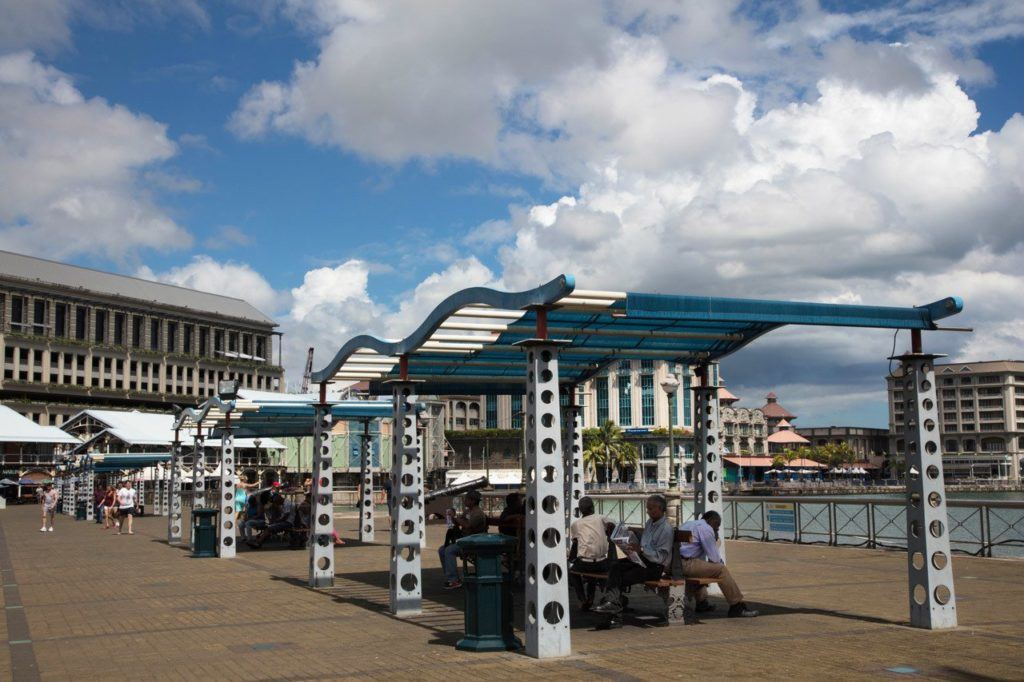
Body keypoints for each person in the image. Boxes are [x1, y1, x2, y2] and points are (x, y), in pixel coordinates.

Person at [593, 494, 674, 616]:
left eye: (651, 508)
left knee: (622, 576)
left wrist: (641, 550)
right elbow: (644, 544)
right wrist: (628, 545)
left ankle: (613, 602)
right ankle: (613, 602)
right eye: (647, 508)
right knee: (615, 566)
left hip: (655, 567)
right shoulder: (649, 523)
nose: (648, 511)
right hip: (642, 561)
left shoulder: (666, 529)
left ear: (660, 508)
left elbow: (661, 557)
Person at [679, 511, 758, 618]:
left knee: (704, 567)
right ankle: (736, 606)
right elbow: (715, 559)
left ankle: (702, 602)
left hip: (676, 563)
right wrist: (715, 540)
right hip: (685, 564)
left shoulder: (690, 524)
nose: (717, 528)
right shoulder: (706, 528)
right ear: (711, 520)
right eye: (717, 525)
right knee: (721, 570)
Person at [568, 496, 613, 610]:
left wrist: (571, 558)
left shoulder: (576, 524)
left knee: (573, 573)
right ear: (593, 508)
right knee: (592, 572)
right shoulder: (601, 518)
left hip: (586, 564)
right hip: (602, 562)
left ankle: (583, 599)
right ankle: (590, 598)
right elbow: (613, 525)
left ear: (580, 510)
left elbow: (576, 543)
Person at [438, 490, 488, 589]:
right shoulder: (468, 511)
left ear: (473, 501)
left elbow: (468, 526)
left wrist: (456, 517)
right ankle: (451, 578)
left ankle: (454, 580)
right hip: (465, 541)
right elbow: (458, 523)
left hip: (474, 543)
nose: (464, 501)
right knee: (442, 550)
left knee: (449, 550)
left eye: (467, 499)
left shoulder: (478, 513)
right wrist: (452, 517)